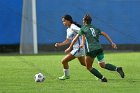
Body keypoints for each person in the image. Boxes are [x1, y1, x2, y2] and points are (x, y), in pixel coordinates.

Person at [65, 14, 125, 82]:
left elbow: (75, 39)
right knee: (102, 65)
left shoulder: (83, 28)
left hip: (91, 50)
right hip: (99, 49)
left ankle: (103, 79)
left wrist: (70, 48)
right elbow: (104, 33)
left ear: (84, 21)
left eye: (83, 20)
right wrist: (112, 43)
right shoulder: (95, 28)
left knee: (89, 67)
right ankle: (117, 69)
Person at [55, 14, 86, 80]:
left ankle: (66, 75)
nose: (63, 23)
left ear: (69, 20)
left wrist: (82, 43)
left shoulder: (73, 26)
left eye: (64, 21)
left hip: (78, 48)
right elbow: (68, 40)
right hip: (76, 48)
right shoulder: (68, 29)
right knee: (84, 63)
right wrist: (59, 44)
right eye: (62, 21)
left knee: (64, 61)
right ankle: (97, 74)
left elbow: (83, 32)